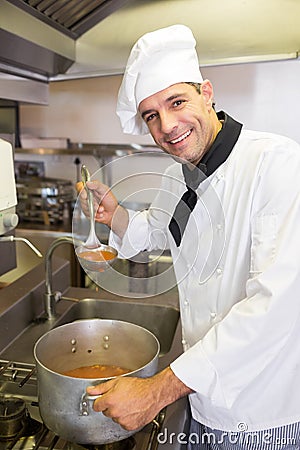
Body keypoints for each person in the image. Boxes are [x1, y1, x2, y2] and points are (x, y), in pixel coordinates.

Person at [78, 24, 300, 449]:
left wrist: (158, 389)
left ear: (208, 93)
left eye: (176, 102)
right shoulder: (178, 174)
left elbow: (276, 306)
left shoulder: (277, 163)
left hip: (260, 414)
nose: (167, 125)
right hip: (199, 392)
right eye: (151, 116)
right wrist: (118, 217)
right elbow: (163, 227)